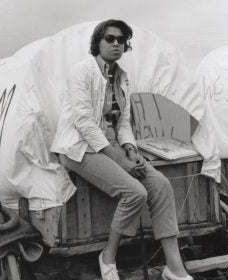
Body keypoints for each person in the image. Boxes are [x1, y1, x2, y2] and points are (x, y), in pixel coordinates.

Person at [51, 19, 193, 280]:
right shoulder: (82, 72)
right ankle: (107, 257)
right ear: (98, 43)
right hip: (79, 148)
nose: (116, 43)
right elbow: (84, 123)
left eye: (121, 40)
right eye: (110, 38)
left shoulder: (121, 77)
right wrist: (120, 160)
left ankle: (175, 268)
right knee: (135, 193)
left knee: (161, 185)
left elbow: (123, 121)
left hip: (112, 145)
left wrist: (130, 150)